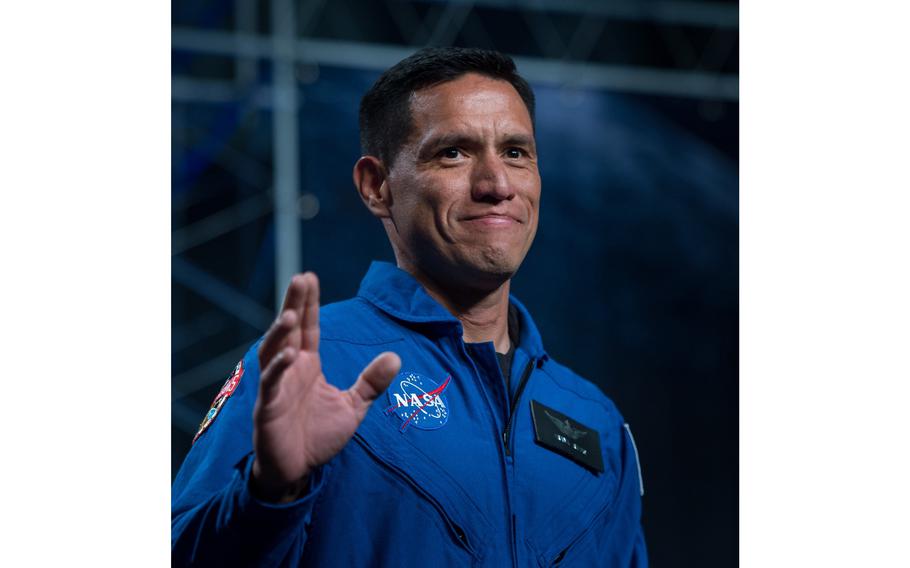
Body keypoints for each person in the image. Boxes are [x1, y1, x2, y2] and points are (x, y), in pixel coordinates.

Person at [172, 47, 647, 567]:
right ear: (377, 187)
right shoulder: (316, 365)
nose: (496, 185)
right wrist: (269, 493)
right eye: (453, 153)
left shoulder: (596, 420)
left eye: (515, 152)